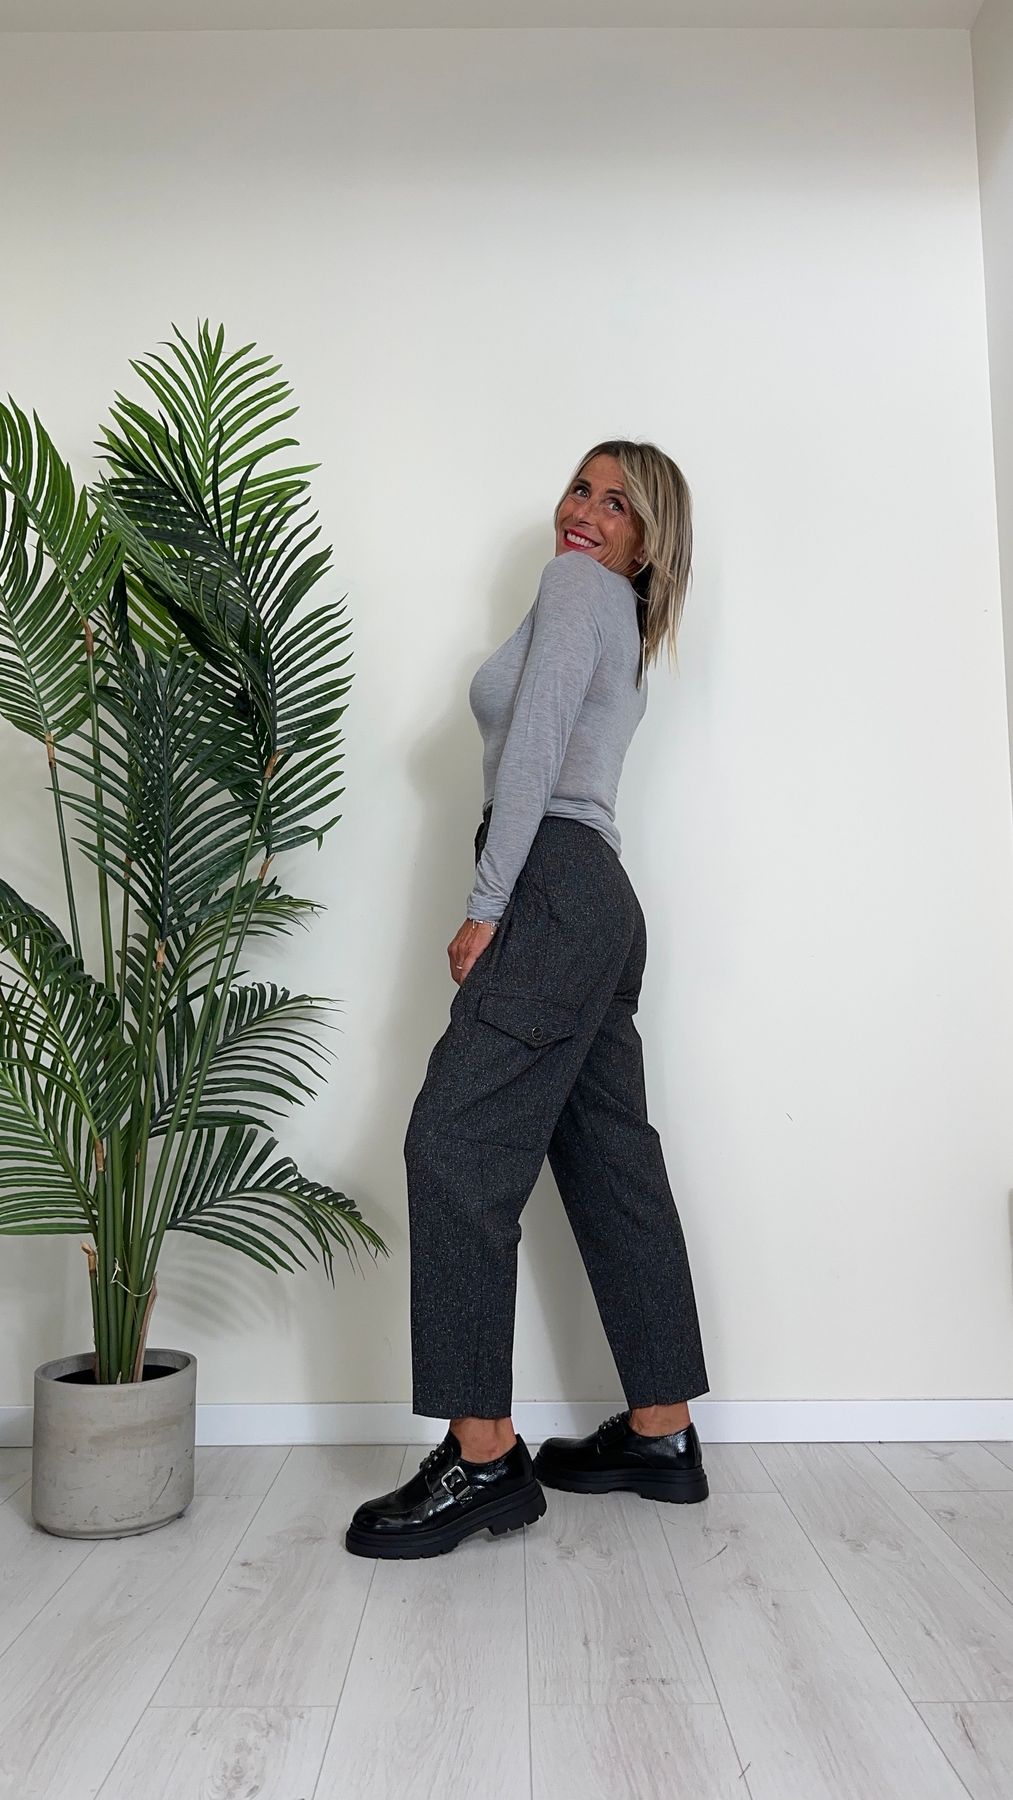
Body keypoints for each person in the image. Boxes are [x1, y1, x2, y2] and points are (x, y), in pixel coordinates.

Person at [345, 440, 710, 1561]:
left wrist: (486, 904)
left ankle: (483, 1455)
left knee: (454, 1144)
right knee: (609, 1158)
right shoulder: (620, 622)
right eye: (579, 488)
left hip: (551, 888)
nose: (584, 511)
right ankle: (658, 1431)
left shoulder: (576, 590)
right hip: (599, 902)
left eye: (617, 503)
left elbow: (537, 750)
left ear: (647, 542)